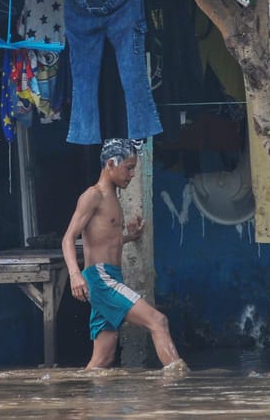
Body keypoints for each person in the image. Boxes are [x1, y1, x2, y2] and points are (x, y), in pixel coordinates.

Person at [61, 138, 188, 372]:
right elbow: (68, 238)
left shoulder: (114, 199)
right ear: (110, 164)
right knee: (158, 322)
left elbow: (106, 239)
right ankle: (180, 386)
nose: (131, 175)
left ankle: (77, 403)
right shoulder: (93, 195)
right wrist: (74, 275)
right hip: (101, 279)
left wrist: (130, 235)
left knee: (101, 363)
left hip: (110, 277)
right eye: (128, 168)